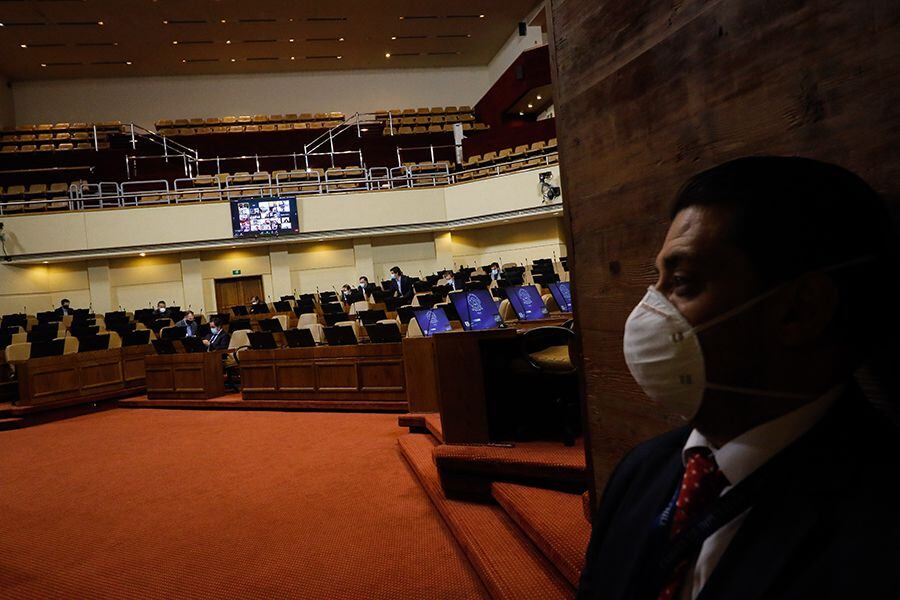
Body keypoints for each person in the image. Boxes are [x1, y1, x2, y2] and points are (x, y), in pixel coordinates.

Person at [577, 157, 900, 600]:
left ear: (799, 310)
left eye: (683, 282)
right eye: (658, 281)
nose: (650, 310)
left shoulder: (879, 526)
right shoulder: (640, 471)